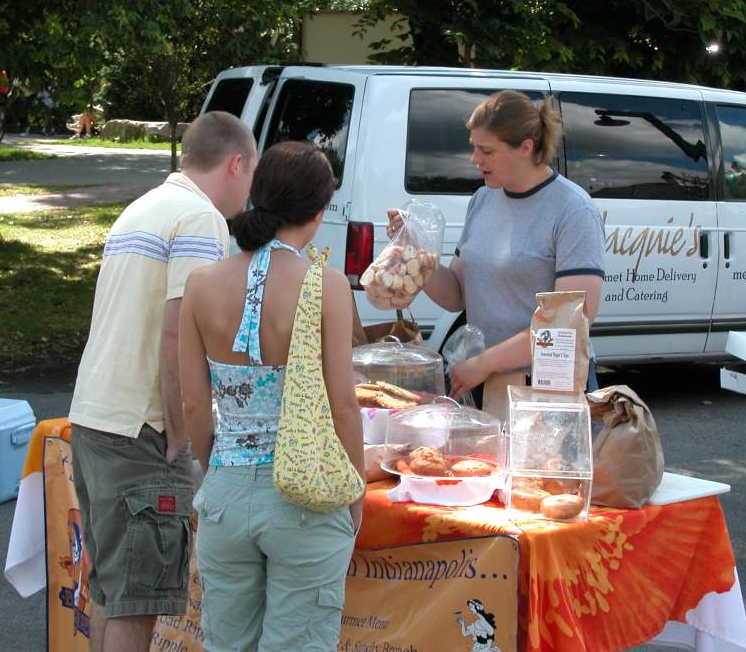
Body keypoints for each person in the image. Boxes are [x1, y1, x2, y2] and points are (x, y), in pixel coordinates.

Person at [68, 110, 257, 652]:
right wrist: (182, 435)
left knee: (112, 593)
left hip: (96, 416)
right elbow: (178, 334)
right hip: (143, 429)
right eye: (250, 174)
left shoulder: (143, 207)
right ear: (236, 163)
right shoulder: (200, 220)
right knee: (138, 598)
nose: (248, 190)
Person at [179, 141, 365, 652]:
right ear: (320, 210)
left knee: (226, 643)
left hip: (226, 490)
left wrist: (215, 469)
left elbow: (194, 405)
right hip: (306, 493)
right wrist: (356, 488)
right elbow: (343, 404)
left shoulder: (201, 284)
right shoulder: (325, 285)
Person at [389, 90, 605, 400]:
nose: (475, 160)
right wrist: (416, 249)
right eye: (474, 148)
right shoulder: (483, 198)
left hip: (546, 385)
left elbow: (567, 327)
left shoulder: (573, 210)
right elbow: (456, 296)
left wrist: (485, 363)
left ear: (525, 148)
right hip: (485, 377)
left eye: (487, 151)